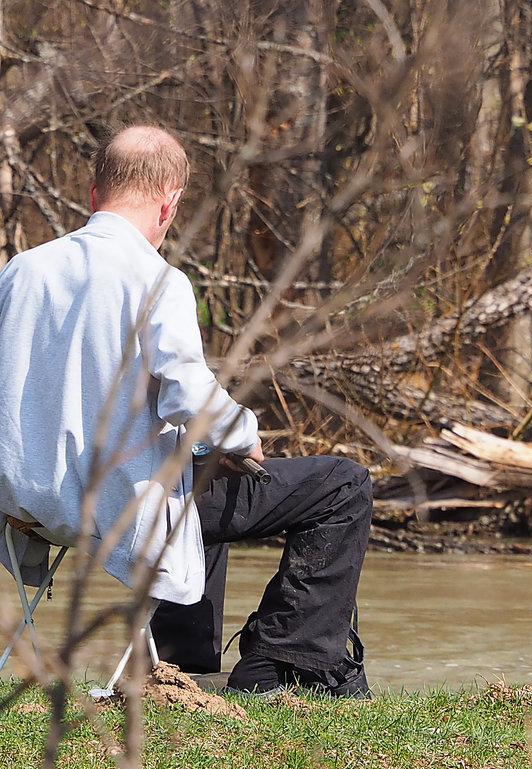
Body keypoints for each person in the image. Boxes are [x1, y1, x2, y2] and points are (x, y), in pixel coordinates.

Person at [0, 124, 372, 697]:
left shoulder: (22, 270)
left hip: (21, 501)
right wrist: (244, 435)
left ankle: (180, 663)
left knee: (197, 464)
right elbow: (188, 397)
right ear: (171, 203)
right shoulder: (157, 281)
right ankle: (282, 665)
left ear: (94, 194)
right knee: (343, 484)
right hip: (114, 508)